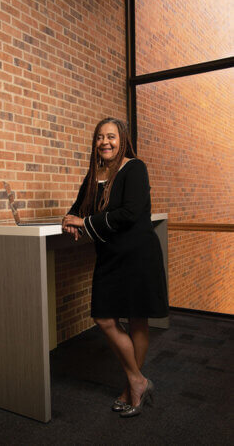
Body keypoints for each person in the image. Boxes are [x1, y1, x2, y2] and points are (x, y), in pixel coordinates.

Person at [62, 117, 169, 418]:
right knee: (104, 317)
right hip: (109, 255)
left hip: (138, 255)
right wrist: (70, 221)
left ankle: (130, 388)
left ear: (122, 139)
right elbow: (78, 207)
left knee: (137, 319)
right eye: (99, 137)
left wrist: (84, 223)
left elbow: (129, 213)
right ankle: (139, 380)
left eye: (111, 136)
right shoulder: (94, 172)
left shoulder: (134, 167)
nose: (104, 142)